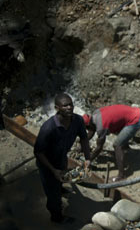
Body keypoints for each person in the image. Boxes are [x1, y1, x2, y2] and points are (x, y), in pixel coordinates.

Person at [34, 93, 91, 224]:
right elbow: (38, 152)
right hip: (47, 165)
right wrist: (53, 170)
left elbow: (83, 138)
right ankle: (57, 217)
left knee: (62, 178)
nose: (69, 107)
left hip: (61, 158)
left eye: (71, 104)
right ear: (57, 108)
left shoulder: (77, 120)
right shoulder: (48, 128)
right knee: (53, 195)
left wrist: (87, 158)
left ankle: (60, 188)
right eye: (65, 105)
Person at [83, 104, 140, 181]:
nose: (88, 130)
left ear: (89, 125)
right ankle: (126, 148)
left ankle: (121, 175)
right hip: (134, 111)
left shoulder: (101, 127)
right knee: (117, 129)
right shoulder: (95, 114)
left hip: (136, 118)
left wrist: (88, 160)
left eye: (87, 128)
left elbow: (99, 148)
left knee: (117, 145)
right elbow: (91, 131)